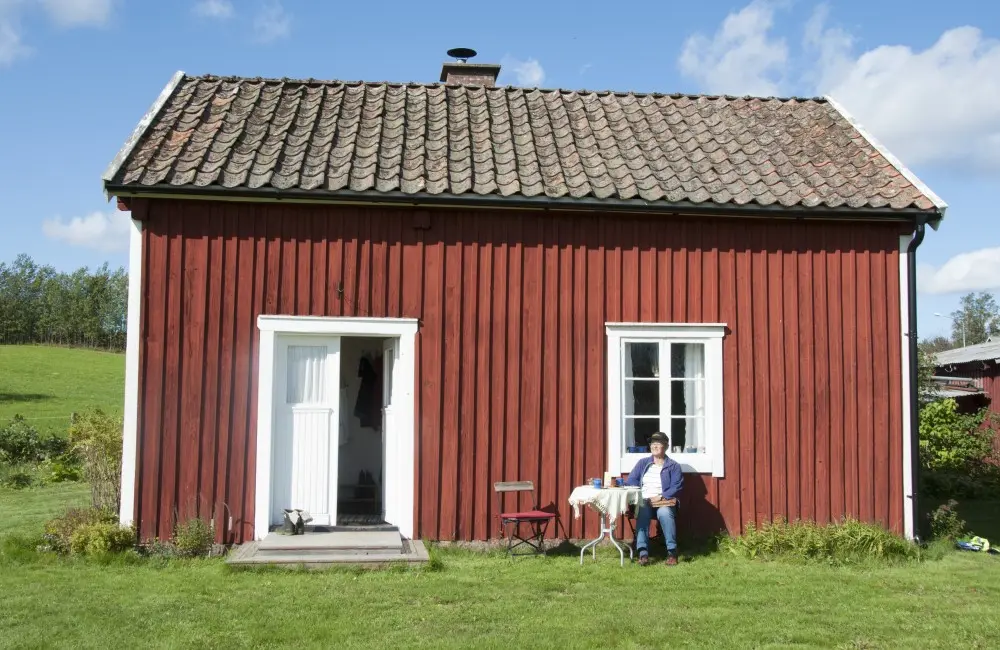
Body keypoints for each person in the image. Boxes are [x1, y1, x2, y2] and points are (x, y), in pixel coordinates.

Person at [624, 431, 682, 566]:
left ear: (666, 446)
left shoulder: (673, 466)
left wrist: (661, 496)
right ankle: (643, 553)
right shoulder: (643, 463)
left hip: (664, 502)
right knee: (642, 511)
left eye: (658, 443)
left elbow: (677, 486)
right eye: (652, 443)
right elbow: (632, 480)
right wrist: (620, 484)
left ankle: (672, 552)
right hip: (645, 501)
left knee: (665, 513)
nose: (654, 446)